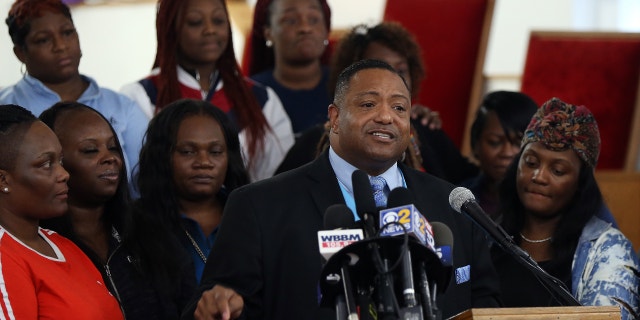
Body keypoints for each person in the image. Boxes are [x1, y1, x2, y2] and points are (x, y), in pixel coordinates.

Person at [183, 60, 501, 319]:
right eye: (368, 103)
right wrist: (221, 308)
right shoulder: (258, 207)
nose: (386, 116)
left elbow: (485, 304)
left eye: (400, 108)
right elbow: (213, 305)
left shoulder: (454, 207)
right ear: (334, 118)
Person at [38, 101, 195, 319]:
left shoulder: (149, 228)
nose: (110, 158)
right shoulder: (39, 245)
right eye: (90, 150)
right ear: (55, 162)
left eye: (113, 147)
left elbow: (189, 304)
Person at [492, 98, 640, 319]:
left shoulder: (608, 250)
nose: (538, 176)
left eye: (558, 170)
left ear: (580, 182)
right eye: (531, 163)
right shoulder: (488, 233)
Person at [277, 22, 478, 184]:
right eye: (378, 67)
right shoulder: (314, 142)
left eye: (400, 70)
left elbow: (469, 187)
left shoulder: (426, 131)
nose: (389, 79)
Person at [120, 0, 293, 182]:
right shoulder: (140, 96)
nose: (210, 30)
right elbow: (137, 175)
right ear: (170, 28)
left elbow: (280, 175)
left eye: (218, 21)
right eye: (195, 22)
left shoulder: (261, 98)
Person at [0, 0, 147, 183]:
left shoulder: (123, 107)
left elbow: (143, 183)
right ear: (20, 53)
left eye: (68, 33)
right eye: (43, 40)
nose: (60, 46)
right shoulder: (5, 108)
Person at [0, 104, 123, 319]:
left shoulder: (63, 245)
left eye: (60, 161)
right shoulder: (5, 257)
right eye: (46, 164)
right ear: (3, 180)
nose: (64, 174)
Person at [136, 98, 250, 284]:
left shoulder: (251, 217)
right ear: (162, 156)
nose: (204, 162)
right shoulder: (135, 225)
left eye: (215, 152)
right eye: (188, 152)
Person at [248, 0, 332, 135]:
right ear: (268, 32)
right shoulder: (248, 94)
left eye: (314, 19)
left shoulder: (349, 86)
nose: (305, 28)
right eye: (291, 21)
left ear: (326, 29)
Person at [461, 91, 539, 219]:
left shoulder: (544, 206)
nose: (507, 153)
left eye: (518, 143)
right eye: (494, 142)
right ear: (476, 144)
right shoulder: (457, 197)